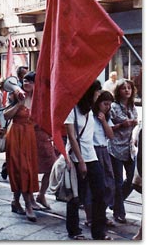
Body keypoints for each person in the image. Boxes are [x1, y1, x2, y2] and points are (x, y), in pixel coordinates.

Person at [64, 80, 111, 240]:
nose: (98, 95)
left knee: (100, 193)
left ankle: (98, 232)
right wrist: (81, 161)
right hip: (78, 159)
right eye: (97, 92)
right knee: (77, 196)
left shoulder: (90, 110)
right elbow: (71, 137)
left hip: (92, 156)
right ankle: (73, 230)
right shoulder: (73, 110)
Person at [3, 71, 40, 222]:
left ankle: (15, 201)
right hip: (16, 134)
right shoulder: (16, 95)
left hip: (29, 135)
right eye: (25, 80)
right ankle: (28, 205)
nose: (27, 83)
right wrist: (19, 104)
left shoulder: (38, 99)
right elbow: (5, 115)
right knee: (20, 168)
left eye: (31, 81)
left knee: (28, 169)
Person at [108, 79, 138, 224]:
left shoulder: (132, 106)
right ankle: (119, 212)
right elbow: (107, 128)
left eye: (129, 88)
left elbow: (135, 123)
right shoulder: (113, 106)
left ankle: (114, 202)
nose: (127, 90)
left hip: (128, 148)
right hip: (115, 146)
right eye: (123, 88)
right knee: (118, 181)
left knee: (132, 179)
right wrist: (122, 125)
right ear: (118, 91)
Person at [91, 90, 116, 227]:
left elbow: (111, 135)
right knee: (95, 186)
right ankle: (93, 216)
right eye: (105, 104)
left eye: (109, 105)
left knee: (109, 183)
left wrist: (104, 121)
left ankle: (102, 212)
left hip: (104, 150)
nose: (107, 107)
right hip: (93, 150)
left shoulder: (106, 117)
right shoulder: (90, 115)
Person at [34, 126, 57, 210]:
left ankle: (41, 194)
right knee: (31, 168)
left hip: (44, 136)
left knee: (52, 166)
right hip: (32, 135)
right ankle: (30, 199)